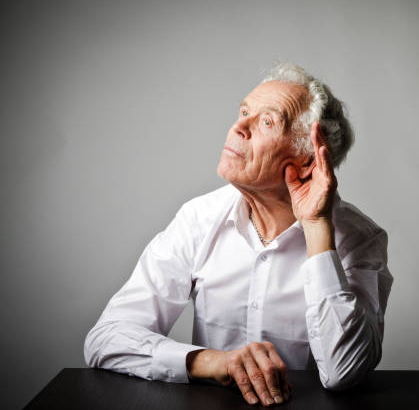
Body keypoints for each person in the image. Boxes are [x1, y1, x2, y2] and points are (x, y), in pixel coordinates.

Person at [84, 62, 393, 407]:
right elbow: (106, 339)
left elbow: (344, 372)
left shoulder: (361, 239)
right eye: (244, 111)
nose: (238, 127)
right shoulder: (198, 219)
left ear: (306, 160)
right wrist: (214, 362)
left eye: (266, 121)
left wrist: (317, 226)